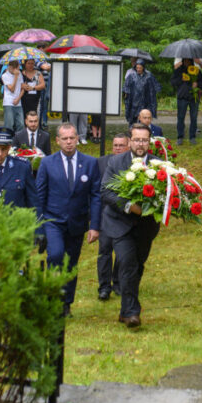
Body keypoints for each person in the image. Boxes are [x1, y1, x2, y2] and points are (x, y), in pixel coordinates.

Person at [35, 123, 102, 317]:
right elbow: (40, 195)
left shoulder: (90, 163)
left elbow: (95, 195)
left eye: (72, 138)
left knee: (71, 263)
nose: (69, 142)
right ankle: (53, 297)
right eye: (64, 139)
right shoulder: (47, 163)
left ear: (77, 138)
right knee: (55, 255)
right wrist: (39, 223)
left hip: (77, 221)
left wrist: (95, 226)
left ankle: (66, 303)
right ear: (57, 141)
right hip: (53, 220)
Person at [99, 123, 161, 328]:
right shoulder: (116, 162)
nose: (140, 144)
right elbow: (106, 191)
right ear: (130, 141)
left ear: (149, 142)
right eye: (136, 140)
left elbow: (166, 192)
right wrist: (128, 206)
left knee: (137, 266)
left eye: (144, 140)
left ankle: (125, 309)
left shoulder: (158, 164)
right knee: (126, 263)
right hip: (119, 223)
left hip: (146, 227)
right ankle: (132, 312)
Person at [96, 133, 129, 300]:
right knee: (105, 251)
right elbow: (95, 192)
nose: (117, 148)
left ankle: (117, 283)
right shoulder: (101, 162)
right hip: (104, 216)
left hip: (124, 216)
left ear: (128, 146)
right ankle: (103, 286)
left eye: (121, 145)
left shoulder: (132, 164)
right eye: (115, 145)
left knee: (122, 252)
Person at [170, 58, 202, 145]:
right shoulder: (178, 70)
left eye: (188, 60)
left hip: (194, 98)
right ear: (182, 61)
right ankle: (180, 137)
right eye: (185, 60)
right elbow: (172, 82)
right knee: (180, 118)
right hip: (182, 97)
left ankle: (192, 137)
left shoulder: (196, 70)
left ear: (191, 61)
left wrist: (197, 84)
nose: (187, 62)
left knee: (194, 118)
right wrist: (181, 79)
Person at [123, 59, 160, 126]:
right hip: (134, 102)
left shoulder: (149, 76)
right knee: (133, 123)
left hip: (145, 103)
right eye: (137, 67)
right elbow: (126, 88)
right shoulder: (131, 76)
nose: (138, 69)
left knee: (144, 122)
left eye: (140, 67)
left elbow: (154, 89)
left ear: (143, 67)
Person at [1, 59, 25, 132]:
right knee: (9, 124)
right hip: (8, 102)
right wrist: (15, 77)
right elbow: (12, 89)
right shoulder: (5, 76)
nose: (17, 70)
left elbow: (22, 88)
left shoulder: (19, 74)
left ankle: (18, 140)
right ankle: (8, 140)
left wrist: (18, 99)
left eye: (18, 68)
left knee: (21, 123)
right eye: (16, 68)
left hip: (18, 102)